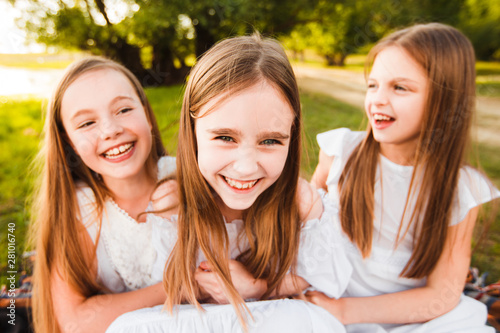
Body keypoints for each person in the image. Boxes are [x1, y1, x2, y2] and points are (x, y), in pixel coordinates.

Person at [106, 34, 349, 333]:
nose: (246, 167)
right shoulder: (172, 200)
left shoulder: (300, 201)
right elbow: (172, 299)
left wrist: (257, 287)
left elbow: (322, 277)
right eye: (225, 137)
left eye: (271, 140)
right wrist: (205, 285)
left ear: (292, 136)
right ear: (192, 131)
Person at [308, 22, 500, 332]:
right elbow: (300, 224)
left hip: (410, 317)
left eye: (400, 87)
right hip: (326, 299)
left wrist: (344, 311)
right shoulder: (341, 152)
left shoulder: (461, 190)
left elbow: (442, 294)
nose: (378, 99)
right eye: (373, 85)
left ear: (444, 100)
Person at [29, 57, 176, 333]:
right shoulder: (79, 212)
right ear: (68, 141)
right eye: (86, 124)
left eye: (123, 109)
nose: (111, 130)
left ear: (145, 110)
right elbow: (74, 322)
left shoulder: (189, 180)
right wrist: (178, 287)